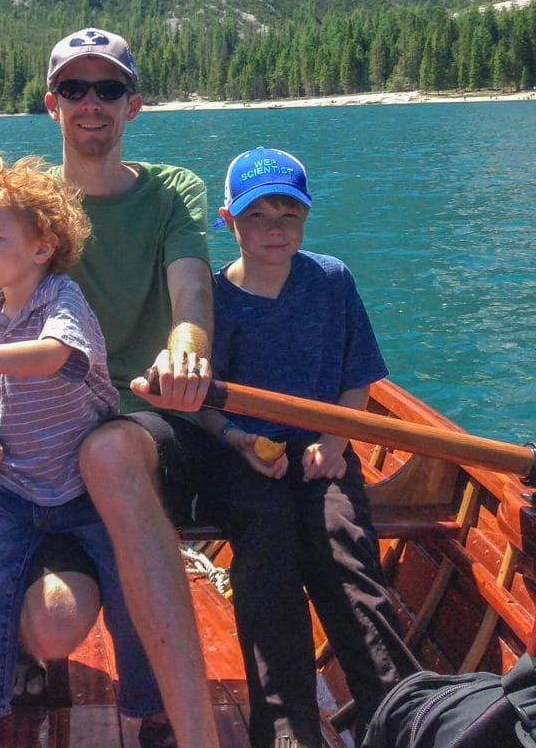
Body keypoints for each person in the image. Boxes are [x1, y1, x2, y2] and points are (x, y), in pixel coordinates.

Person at [0, 27, 221, 748]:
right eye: (76, 90)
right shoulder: (26, 206)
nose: (93, 103)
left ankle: (187, 730)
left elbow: (192, 300)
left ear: (134, 105)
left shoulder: (173, 190)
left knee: (111, 454)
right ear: (52, 104)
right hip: (41, 461)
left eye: (109, 89)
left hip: (143, 428)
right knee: (53, 626)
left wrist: (187, 350)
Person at [0, 152, 164, 747]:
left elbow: (53, 355)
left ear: (41, 247)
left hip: (86, 495)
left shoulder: (61, 301)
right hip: (12, 492)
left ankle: (143, 715)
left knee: (133, 594)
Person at [204, 147, 419, 748]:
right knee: (267, 551)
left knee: (345, 549)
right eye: (257, 217)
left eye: (288, 215)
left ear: (305, 218)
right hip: (248, 458)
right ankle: (285, 726)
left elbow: (357, 379)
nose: (274, 229)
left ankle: (402, 710)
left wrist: (337, 438)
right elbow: (202, 405)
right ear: (229, 221)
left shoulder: (331, 280)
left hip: (327, 451)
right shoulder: (215, 301)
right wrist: (238, 440)